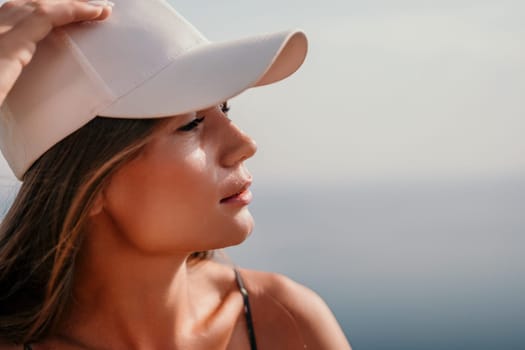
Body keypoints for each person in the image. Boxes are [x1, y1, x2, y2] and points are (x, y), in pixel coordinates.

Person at [0, 0, 352, 349]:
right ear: (87, 184)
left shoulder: (284, 319)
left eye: (224, 108)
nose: (244, 144)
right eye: (192, 125)